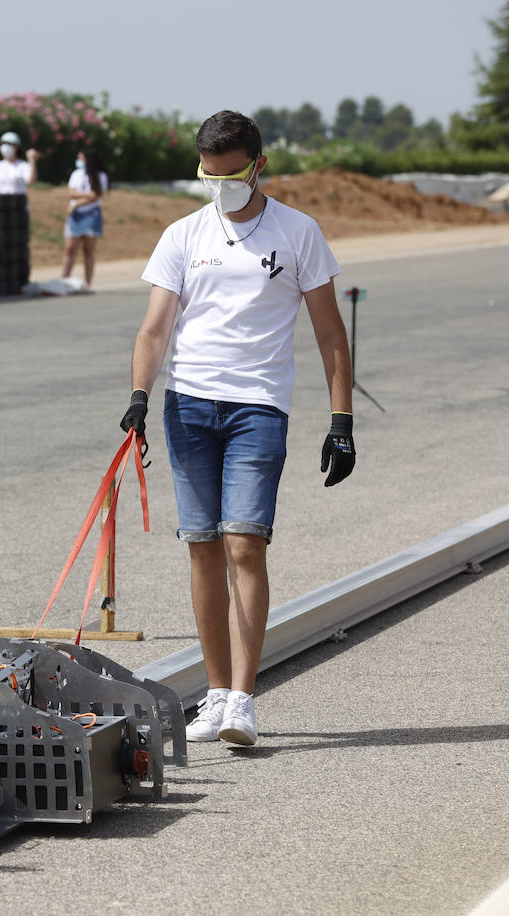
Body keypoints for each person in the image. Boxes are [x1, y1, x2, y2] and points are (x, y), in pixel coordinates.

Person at [122, 110, 354, 748]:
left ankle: (245, 701)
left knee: (244, 544)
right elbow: (154, 328)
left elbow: (330, 333)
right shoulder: (183, 235)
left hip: (259, 407)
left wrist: (342, 421)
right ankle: (216, 693)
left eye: (233, 176)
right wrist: (140, 396)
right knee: (201, 545)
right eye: (210, 176)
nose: (221, 187)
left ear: (260, 166)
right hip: (189, 405)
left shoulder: (299, 233)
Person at [61, 147, 110, 287]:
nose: (78, 161)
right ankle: (64, 281)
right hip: (75, 216)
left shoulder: (100, 176)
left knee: (89, 250)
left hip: (91, 214)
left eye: (81, 158)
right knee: (70, 248)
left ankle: (88, 283)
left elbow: (96, 196)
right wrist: (87, 195)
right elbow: (71, 193)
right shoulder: (77, 174)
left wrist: (77, 203)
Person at [0, 130, 38, 197]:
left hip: (18, 205)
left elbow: (31, 181)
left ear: (17, 147)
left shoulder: (23, 165)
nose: (5, 146)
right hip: (1, 205)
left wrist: (32, 160)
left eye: (9, 144)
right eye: (4, 144)